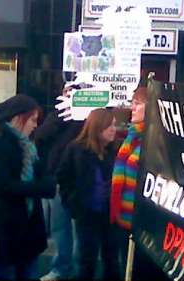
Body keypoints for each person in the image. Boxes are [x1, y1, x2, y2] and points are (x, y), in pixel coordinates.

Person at [0, 94, 56, 280]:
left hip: (27, 230)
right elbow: (1, 185)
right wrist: (41, 188)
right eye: (33, 120)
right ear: (19, 118)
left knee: (28, 272)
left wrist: (46, 182)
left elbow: (39, 172)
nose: (35, 125)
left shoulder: (28, 146)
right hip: (4, 228)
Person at [110, 87, 168, 281]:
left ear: (150, 108)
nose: (132, 108)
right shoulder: (131, 137)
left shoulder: (156, 140)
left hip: (144, 225)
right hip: (123, 220)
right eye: (132, 103)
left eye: (137, 104)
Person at [57, 108, 120, 281]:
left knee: (112, 258)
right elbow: (63, 177)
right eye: (110, 126)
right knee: (87, 259)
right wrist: (72, 202)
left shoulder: (114, 150)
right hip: (86, 212)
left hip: (110, 214)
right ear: (98, 128)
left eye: (114, 125)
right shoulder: (76, 149)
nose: (114, 129)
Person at [35, 97, 83, 281]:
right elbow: (41, 136)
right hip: (58, 177)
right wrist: (60, 115)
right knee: (60, 226)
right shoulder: (58, 115)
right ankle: (61, 267)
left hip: (80, 177)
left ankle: (78, 269)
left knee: (78, 228)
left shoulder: (90, 114)